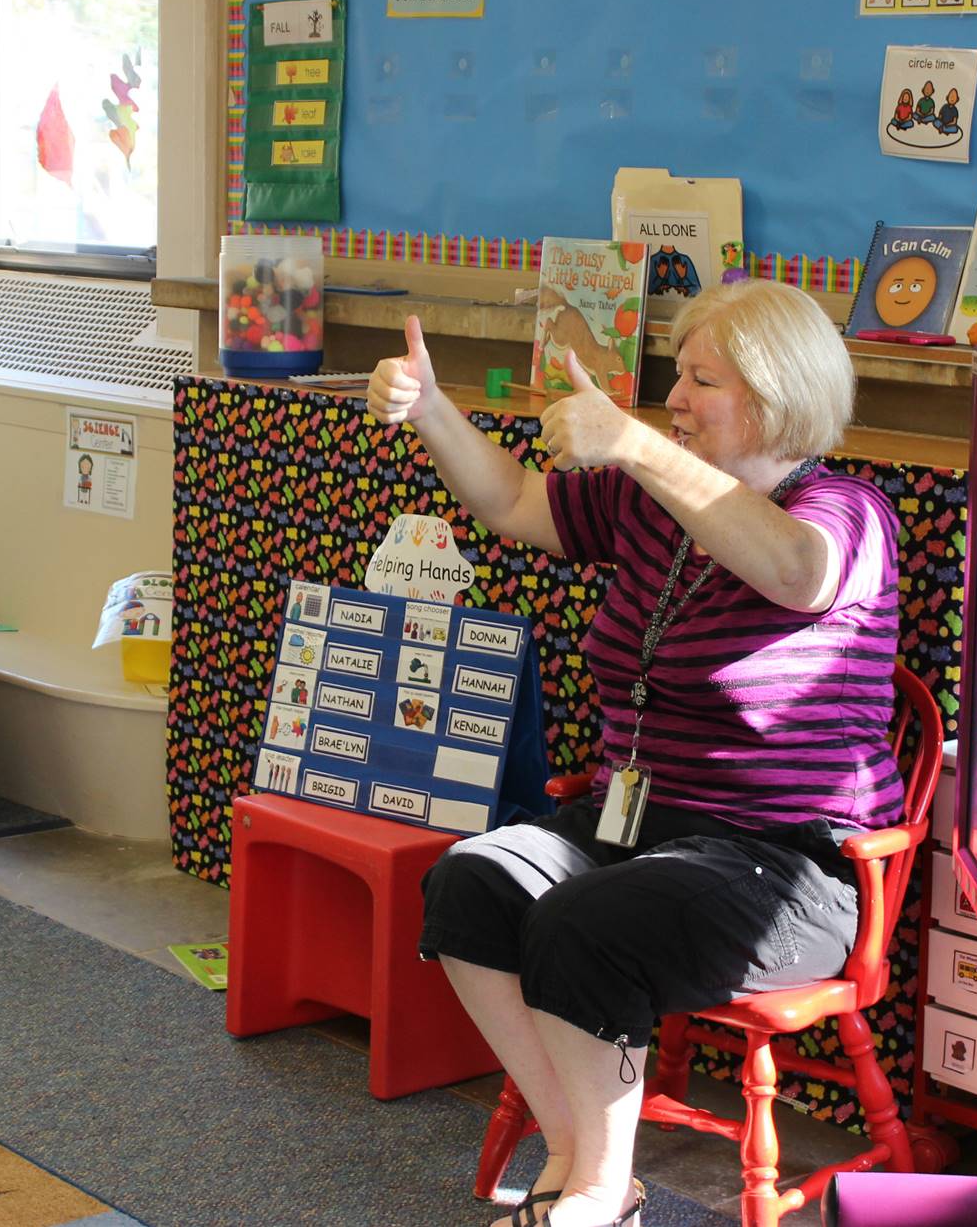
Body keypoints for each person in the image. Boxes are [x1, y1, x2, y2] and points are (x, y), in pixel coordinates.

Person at [367, 280, 900, 1227]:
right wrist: (433, 408)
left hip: (787, 866)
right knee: (469, 882)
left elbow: (794, 569)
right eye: (677, 377)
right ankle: (577, 1150)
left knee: (584, 923)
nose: (677, 399)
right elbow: (516, 499)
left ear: (776, 396)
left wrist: (634, 444)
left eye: (703, 380)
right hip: (642, 826)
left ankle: (600, 1195)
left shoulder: (849, 513)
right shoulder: (648, 495)